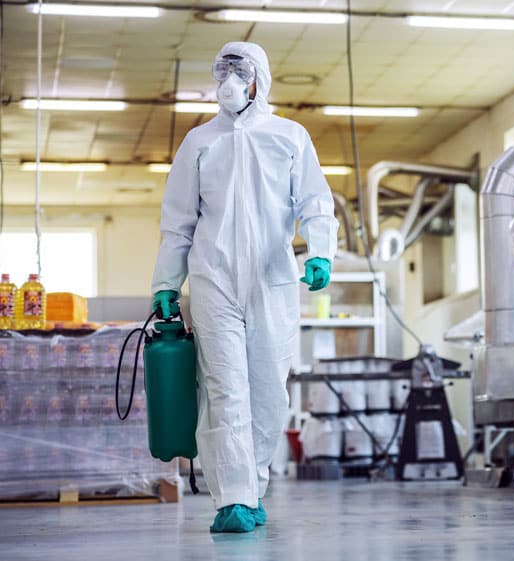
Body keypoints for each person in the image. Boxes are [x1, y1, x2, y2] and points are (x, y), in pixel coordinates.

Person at [150, 41, 338, 533]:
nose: (231, 81)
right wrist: (167, 282)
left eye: (242, 71)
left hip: (273, 278)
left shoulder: (289, 136)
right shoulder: (198, 142)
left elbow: (316, 202)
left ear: (261, 79)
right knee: (224, 387)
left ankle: (253, 487)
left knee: (270, 390)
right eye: (223, 71)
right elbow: (177, 222)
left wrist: (319, 251)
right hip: (214, 278)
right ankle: (232, 499)